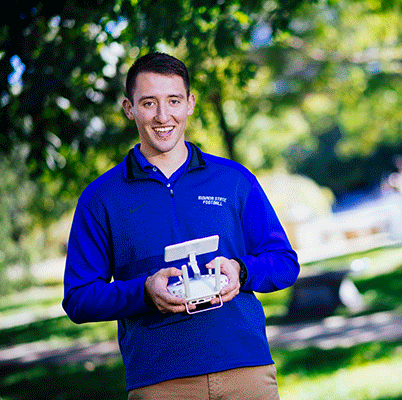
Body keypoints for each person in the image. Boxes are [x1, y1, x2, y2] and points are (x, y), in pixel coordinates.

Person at [62, 52, 300, 399]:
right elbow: (79, 297)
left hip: (245, 370)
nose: (163, 116)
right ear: (129, 108)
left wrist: (241, 270)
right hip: (159, 381)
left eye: (173, 100)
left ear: (189, 103)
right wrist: (143, 291)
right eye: (148, 103)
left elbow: (284, 262)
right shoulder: (100, 198)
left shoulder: (233, 179)